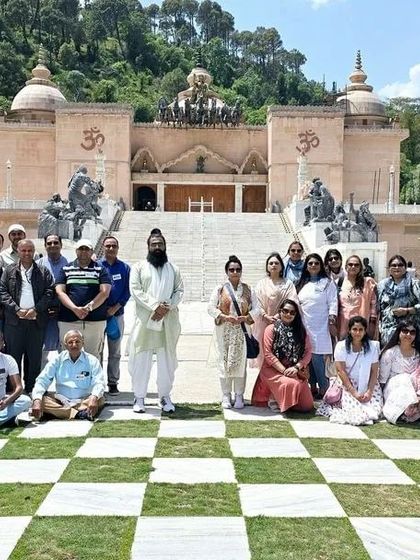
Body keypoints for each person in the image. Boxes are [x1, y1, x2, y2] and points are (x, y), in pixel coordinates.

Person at [129, 228, 184, 413]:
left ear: (165, 246)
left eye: (160, 244)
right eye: (154, 244)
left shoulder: (173, 269)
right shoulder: (138, 267)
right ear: (148, 247)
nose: (157, 247)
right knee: (141, 360)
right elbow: (136, 291)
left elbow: (179, 291)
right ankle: (139, 398)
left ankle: (165, 396)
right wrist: (155, 306)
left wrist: (167, 306)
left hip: (167, 321)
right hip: (146, 320)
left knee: (166, 361)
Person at [0, 239, 54, 393]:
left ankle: (32, 390)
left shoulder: (43, 271)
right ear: (18, 251)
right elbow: (2, 292)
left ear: (34, 252)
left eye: (30, 250)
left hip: (36, 321)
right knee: (13, 357)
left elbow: (49, 291)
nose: (27, 253)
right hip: (14, 322)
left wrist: (36, 310)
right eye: (23, 250)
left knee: (34, 358)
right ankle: (12, 391)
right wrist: (16, 309)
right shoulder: (9, 271)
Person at [208, 255, 260, 409]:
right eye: (232, 269)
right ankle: (225, 395)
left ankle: (239, 395)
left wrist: (246, 317)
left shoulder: (249, 289)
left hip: (242, 331)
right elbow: (210, 307)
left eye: (238, 269)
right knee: (224, 364)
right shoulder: (219, 289)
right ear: (227, 272)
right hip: (224, 330)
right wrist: (223, 316)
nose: (235, 272)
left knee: (240, 364)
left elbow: (258, 308)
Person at [318, 316, 382, 425]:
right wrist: (354, 392)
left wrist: (369, 391)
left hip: (368, 384)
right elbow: (341, 371)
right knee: (353, 412)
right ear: (349, 330)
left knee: (375, 411)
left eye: (361, 330)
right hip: (347, 384)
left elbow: (374, 371)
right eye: (355, 329)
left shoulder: (373, 346)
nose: (357, 333)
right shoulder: (341, 346)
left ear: (365, 331)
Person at [251, 299, 313, 413]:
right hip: (273, 369)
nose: (288, 314)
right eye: (285, 311)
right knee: (290, 383)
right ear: (280, 311)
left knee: (306, 406)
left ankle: (283, 399)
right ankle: (273, 397)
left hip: (294, 369)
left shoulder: (300, 331)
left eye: (292, 312)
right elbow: (268, 354)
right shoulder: (271, 329)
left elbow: (308, 352)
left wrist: (297, 367)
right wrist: (285, 371)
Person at [31, 330, 105, 420]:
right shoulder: (57, 360)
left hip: (84, 400)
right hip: (61, 401)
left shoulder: (92, 360)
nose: (74, 345)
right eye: (70, 342)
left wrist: (93, 398)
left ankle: (58, 413)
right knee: (39, 400)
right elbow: (42, 380)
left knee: (99, 399)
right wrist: (37, 400)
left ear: (83, 343)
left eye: (77, 341)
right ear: (65, 345)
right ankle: (79, 414)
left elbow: (99, 382)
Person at [55, 239, 111, 359]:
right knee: (66, 355)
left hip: (94, 321)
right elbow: (60, 292)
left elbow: (105, 292)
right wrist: (74, 308)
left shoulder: (101, 270)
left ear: (92, 251)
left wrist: (89, 307)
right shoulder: (65, 269)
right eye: (81, 249)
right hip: (69, 320)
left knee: (94, 356)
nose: (84, 252)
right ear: (76, 251)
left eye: (87, 249)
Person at [296, 253, 338, 398]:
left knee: (318, 358)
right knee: (307, 358)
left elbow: (333, 302)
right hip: (305, 325)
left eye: (316, 263)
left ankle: (325, 389)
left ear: (321, 265)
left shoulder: (327, 283)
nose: (313, 266)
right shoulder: (302, 283)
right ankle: (312, 387)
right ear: (306, 267)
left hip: (321, 326)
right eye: (310, 263)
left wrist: (332, 319)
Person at [251, 252, 297, 369]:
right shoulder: (261, 283)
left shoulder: (288, 284)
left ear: (281, 266)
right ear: (267, 266)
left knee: (280, 353)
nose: (273, 265)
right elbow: (256, 302)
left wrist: (278, 316)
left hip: (283, 322)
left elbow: (292, 301)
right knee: (263, 352)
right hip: (263, 322)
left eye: (276, 263)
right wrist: (265, 315)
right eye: (271, 263)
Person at [99, 236, 130, 394]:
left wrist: (115, 307)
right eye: (108, 246)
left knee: (115, 351)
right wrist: (101, 308)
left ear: (117, 248)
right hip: (98, 316)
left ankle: (113, 382)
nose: (110, 248)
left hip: (116, 315)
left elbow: (127, 291)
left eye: (113, 246)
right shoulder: (96, 266)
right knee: (97, 350)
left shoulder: (124, 268)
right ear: (103, 248)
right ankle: (97, 382)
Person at [379, 320, 420, 423]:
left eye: (412, 332)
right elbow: (382, 381)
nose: (408, 334)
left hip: (415, 388)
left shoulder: (418, 354)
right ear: (399, 332)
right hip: (394, 388)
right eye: (405, 331)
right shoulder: (390, 353)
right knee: (404, 378)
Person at [37, 234, 68, 367]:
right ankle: (41, 384)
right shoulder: (38, 265)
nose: (52, 245)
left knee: (65, 349)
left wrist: (60, 307)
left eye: (56, 242)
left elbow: (71, 291)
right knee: (41, 351)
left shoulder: (68, 265)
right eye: (49, 243)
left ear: (61, 245)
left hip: (62, 314)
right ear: (45, 246)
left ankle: (64, 384)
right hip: (43, 314)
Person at [377, 255, 420, 347]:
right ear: (389, 269)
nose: (397, 267)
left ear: (405, 268)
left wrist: (407, 310)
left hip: (409, 333)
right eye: (394, 265)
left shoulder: (414, 284)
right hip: (387, 333)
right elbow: (379, 308)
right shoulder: (382, 285)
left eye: (400, 265)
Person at [337, 255, 377, 340]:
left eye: (356, 265)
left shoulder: (368, 283)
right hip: (343, 328)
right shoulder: (339, 283)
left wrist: (372, 327)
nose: (353, 267)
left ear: (360, 267)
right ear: (346, 267)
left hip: (361, 328)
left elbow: (374, 307)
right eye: (350, 264)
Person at [0, 336, 31, 425]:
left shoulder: (8, 360)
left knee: (26, 401)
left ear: (2, 344)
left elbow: (19, 388)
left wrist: (6, 402)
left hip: (2, 401)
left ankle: (5, 419)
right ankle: (8, 419)